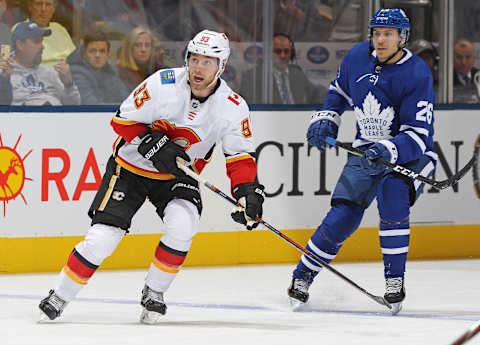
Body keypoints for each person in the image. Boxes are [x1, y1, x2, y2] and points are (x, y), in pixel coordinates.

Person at [38, 29, 265, 324]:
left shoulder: (233, 107)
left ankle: (154, 292)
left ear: (221, 67)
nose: (198, 67)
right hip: (131, 168)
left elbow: (240, 156)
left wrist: (247, 192)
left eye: (207, 62)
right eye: (194, 59)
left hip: (176, 177)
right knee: (101, 239)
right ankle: (60, 294)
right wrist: (155, 144)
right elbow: (121, 120)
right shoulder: (162, 84)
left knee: (183, 225)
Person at [287, 8, 436, 315]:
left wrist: (389, 149)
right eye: (377, 33)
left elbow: (420, 134)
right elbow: (338, 92)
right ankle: (302, 275)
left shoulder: (417, 73)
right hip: (365, 151)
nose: (380, 40)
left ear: (402, 38)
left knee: (392, 197)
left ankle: (395, 280)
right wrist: (327, 119)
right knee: (342, 216)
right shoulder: (357, 57)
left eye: (388, 34)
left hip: (406, 155)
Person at [240, 33, 327, 104]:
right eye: (278, 51)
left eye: (286, 51)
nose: (283, 56)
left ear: (291, 53)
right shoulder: (252, 76)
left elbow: (316, 95)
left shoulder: (297, 73)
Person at [8, 21, 80, 105]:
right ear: (20, 45)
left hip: (57, 116)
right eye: (37, 41)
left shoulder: (49, 72)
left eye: (42, 41)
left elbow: (74, 106)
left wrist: (69, 85)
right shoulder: (6, 75)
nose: (43, 46)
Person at [66, 29, 129, 105]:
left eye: (102, 51)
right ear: (84, 53)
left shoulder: (112, 72)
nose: (97, 55)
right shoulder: (76, 73)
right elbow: (92, 105)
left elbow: (127, 99)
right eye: (92, 51)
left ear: (108, 54)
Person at [13, 0, 75, 67]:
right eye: (39, 4)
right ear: (30, 7)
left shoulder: (60, 29)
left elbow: (75, 58)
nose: (43, 9)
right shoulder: (21, 28)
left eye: (48, 5)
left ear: (53, 9)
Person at [116, 26, 158, 92]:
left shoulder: (158, 72)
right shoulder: (119, 73)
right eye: (138, 45)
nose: (143, 49)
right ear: (129, 48)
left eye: (147, 45)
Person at [453, 38, 480, 103]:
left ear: (474, 58)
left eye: (468, 57)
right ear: (452, 58)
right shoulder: (444, 80)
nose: (463, 62)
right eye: (459, 57)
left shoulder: (478, 75)